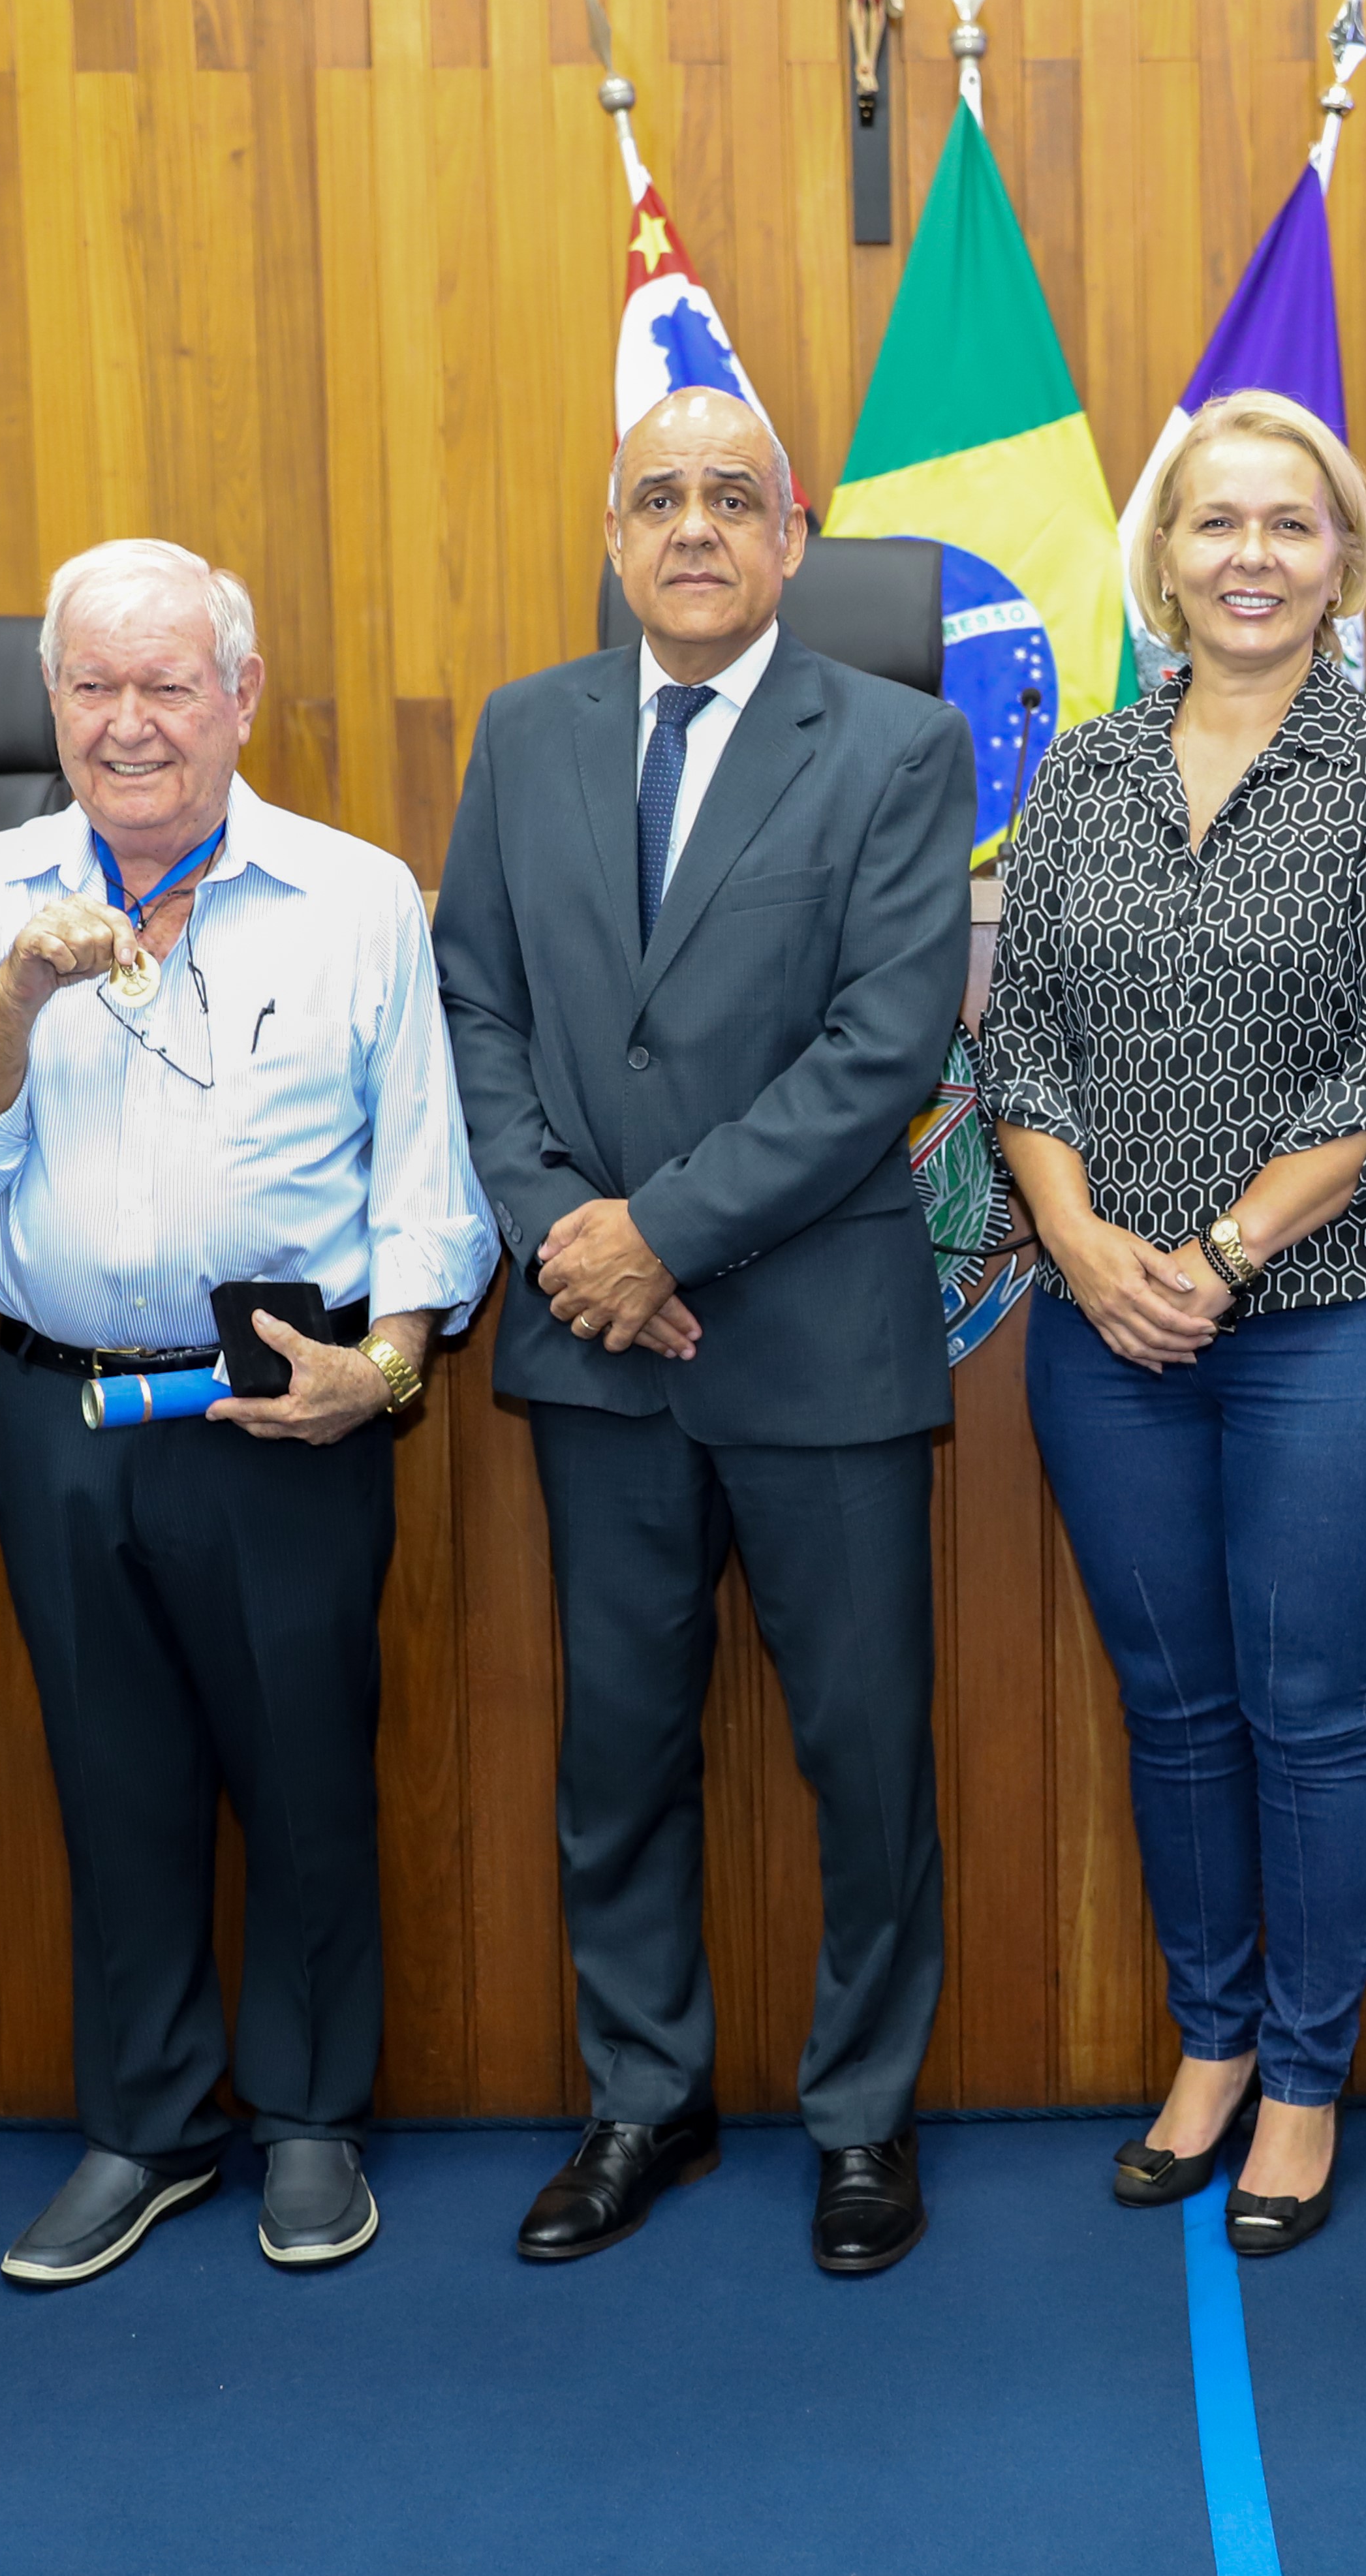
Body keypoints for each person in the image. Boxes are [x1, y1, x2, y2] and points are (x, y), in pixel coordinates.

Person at [0, 539, 494, 2287]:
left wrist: (384, 1372)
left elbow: (424, 1173)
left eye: (167, 686)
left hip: (279, 1405)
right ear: (51, 703)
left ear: (237, 700)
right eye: (93, 687)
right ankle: (145, 2129)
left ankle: (307, 2118)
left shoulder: (354, 892)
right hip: (55, 1419)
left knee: (304, 1774)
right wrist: (13, 991)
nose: (129, 722)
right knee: (111, 1781)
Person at [433, 389, 974, 2278]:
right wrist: (568, 1244)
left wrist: (657, 1230)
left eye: (730, 499)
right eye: (656, 497)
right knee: (619, 1754)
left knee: (863, 1757)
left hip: (816, 1342)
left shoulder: (896, 746)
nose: (691, 528)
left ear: (793, 538)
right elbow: (475, 1011)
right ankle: (642, 2102)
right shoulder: (524, 735)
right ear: (609, 529)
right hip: (593, 1351)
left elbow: (884, 1049)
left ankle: (858, 2117)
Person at [978, 391, 1366, 2256]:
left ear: (1338, 562)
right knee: (1174, 1713)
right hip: (1099, 1324)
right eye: (1215, 525)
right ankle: (1207, 2043)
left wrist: (1226, 1252)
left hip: (1332, 1318)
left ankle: (1306, 2078)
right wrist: (1083, 1239)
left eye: (1289, 525)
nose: (1250, 557)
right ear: (1160, 562)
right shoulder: (1083, 769)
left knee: (1309, 1711)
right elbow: (1015, 1032)